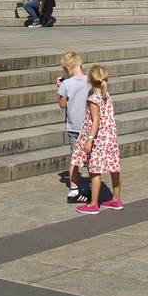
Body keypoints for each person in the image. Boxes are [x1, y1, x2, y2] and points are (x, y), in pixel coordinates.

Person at [72, 64, 123, 214]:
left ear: (89, 80)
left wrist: (89, 139)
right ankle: (116, 199)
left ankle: (93, 204)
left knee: (95, 171)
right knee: (114, 168)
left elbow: (96, 121)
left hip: (99, 139)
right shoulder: (107, 96)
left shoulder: (93, 99)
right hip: (110, 137)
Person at [56, 52, 90, 202]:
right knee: (91, 158)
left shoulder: (66, 84)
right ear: (81, 65)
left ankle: (74, 189)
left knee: (75, 158)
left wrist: (60, 87)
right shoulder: (90, 81)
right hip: (89, 127)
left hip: (73, 127)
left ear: (66, 68)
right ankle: (91, 185)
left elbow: (62, 105)